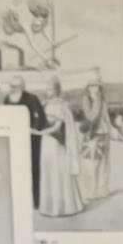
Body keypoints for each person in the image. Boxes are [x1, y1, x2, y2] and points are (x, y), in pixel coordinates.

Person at [38, 80, 83, 218]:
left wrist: (39, 132)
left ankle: (63, 207)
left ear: (57, 90)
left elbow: (57, 127)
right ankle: (49, 207)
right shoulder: (45, 104)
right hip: (46, 142)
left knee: (58, 171)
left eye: (51, 88)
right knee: (48, 170)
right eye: (47, 88)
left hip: (56, 144)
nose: (48, 91)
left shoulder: (62, 106)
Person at [6, 77, 49, 208]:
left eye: (16, 87)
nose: (13, 89)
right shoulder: (7, 99)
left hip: (32, 141)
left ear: (22, 87)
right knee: (16, 170)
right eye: (11, 86)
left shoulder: (32, 98)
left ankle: (36, 201)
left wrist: (33, 129)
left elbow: (40, 118)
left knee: (34, 170)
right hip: (14, 140)